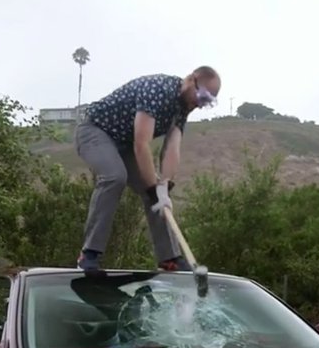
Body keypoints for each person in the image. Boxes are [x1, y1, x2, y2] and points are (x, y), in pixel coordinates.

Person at [73, 65, 221, 272]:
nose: (200, 105)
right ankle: (89, 254)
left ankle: (169, 259)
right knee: (115, 177)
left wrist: (164, 186)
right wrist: (154, 188)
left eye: (207, 102)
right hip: (96, 131)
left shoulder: (183, 107)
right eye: (202, 97)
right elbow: (141, 144)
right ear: (191, 80)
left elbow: (172, 148)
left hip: (125, 144)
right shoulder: (157, 89)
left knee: (156, 194)